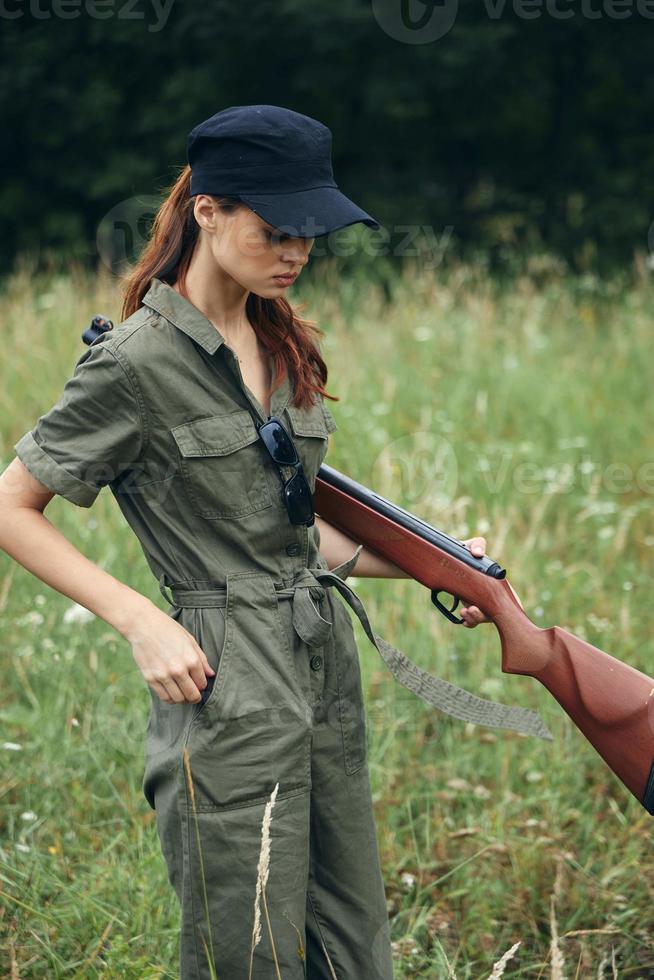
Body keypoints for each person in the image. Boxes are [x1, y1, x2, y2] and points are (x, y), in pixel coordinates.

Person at [0, 106, 493, 979]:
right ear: (208, 212)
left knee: (354, 946)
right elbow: (11, 505)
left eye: (312, 231)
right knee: (251, 951)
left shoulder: (278, 338)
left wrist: (438, 564)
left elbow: (297, 537)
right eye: (277, 229)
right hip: (224, 676)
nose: (297, 250)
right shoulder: (133, 364)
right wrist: (138, 621)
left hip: (318, 660)